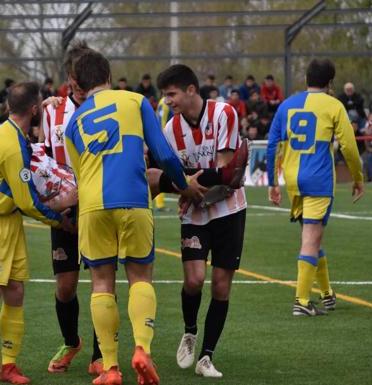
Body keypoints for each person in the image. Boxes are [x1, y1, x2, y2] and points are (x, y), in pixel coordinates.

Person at [65, 50, 204, 385]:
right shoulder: (135, 101)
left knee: (101, 283)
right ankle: (141, 349)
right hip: (132, 199)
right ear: (109, 75)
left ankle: (110, 368)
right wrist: (183, 184)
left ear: (80, 85)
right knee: (140, 278)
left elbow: (79, 174)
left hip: (93, 206)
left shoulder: (73, 123)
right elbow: (163, 152)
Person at [0, 81, 74, 385]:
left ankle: (9, 365)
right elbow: (26, 201)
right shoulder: (9, 143)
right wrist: (59, 220)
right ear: (33, 109)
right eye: (41, 105)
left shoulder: (14, 133)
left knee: (15, 292)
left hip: (8, 221)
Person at [153, 64, 248, 379]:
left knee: (221, 286)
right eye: (166, 96)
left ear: (190, 90)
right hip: (194, 210)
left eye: (172, 94)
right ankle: (190, 331)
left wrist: (184, 183)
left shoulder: (224, 114)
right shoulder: (170, 130)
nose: (168, 101)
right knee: (193, 280)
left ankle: (206, 357)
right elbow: (167, 174)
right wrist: (183, 186)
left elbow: (224, 176)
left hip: (229, 211)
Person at [267, 59, 364, 316]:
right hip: (319, 181)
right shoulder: (334, 105)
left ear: (306, 80)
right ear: (331, 83)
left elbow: (271, 144)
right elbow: (350, 148)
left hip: (293, 181)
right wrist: (358, 177)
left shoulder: (286, 105)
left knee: (313, 236)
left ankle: (326, 293)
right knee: (311, 239)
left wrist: (271, 182)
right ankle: (301, 301)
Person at [40, 41, 103, 376]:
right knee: (65, 286)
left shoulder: (107, 107)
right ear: (68, 76)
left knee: (100, 282)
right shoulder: (51, 112)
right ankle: (71, 341)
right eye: (75, 75)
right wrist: (54, 206)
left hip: (98, 208)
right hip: (64, 210)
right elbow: (42, 161)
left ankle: (100, 353)